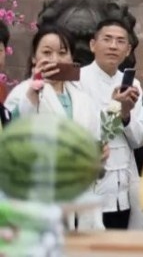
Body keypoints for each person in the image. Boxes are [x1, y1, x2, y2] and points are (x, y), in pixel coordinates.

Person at [6, 25, 104, 229]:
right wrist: (34, 92)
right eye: (47, 53)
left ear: (71, 58)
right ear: (34, 58)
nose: (55, 59)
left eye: (62, 53)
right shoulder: (22, 93)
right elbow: (13, 134)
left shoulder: (83, 99)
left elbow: (93, 139)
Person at [79, 19, 143, 230]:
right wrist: (115, 108)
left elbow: (139, 140)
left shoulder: (133, 84)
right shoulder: (78, 80)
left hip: (122, 191)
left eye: (120, 41)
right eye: (107, 39)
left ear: (127, 50)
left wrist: (126, 115)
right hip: (87, 186)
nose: (113, 46)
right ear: (93, 45)